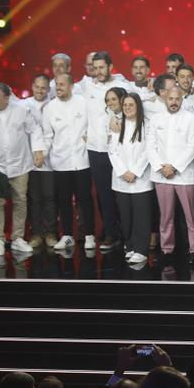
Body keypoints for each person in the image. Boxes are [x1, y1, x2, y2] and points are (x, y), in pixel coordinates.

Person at [0, 82, 44, 258]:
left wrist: (38, 150)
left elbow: (35, 129)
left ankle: (17, 239)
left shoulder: (21, 110)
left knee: (20, 201)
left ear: (7, 98)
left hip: (20, 164)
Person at [147, 85, 194, 262]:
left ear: (182, 99)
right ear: (164, 98)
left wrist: (175, 167)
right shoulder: (155, 119)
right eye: (171, 99)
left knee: (191, 217)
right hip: (161, 175)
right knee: (166, 216)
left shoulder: (191, 119)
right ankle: (166, 249)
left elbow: (193, 146)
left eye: (177, 99)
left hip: (185, 175)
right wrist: (162, 167)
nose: (174, 102)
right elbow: (150, 146)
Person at [40, 73, 92, 251]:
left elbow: (92, 125)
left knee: (85, 199)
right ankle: (68, 235)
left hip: (82, 160)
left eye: (62, 84)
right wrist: (41, 154)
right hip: (60, 161)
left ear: (71, 86)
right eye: (57, 85)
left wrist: (90, 138)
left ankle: (89, 235)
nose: (58, 88)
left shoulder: (83, 103)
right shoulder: (50, 108)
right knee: (63, 200)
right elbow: (47, 136)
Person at [107, 92, 152, 265]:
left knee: (141, 215)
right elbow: (112, 150)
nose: (127, 108)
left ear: (138, 106)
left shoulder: (147, 125)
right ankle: (130, 245)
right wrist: (123, 171)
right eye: (125, 105)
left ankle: (141, 249)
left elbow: (148, 150)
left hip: (140, 178)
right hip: (121, 179)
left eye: (131, 105)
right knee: (126, 215)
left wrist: (134, 171)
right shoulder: (117, 125)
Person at [83, 52, 122, 251]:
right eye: (95, 67)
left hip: (119, 149)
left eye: (101, 67)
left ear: (110, 67)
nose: (98, 71)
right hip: (96, 149)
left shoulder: (123, 85)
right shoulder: (87, 86)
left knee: (121, 192)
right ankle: (110, 232)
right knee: (103, 193)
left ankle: (122, 231)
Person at [19, 74, 56, 250]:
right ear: (32, 86)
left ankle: (50, 233)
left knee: (50, 197)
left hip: (50, 160)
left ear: (49, 89)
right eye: (37, 87)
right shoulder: (22, 104)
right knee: (34, 199)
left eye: (44, 88)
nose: (40, 90)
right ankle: (36, 233)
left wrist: (43, 152)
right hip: (30, 160)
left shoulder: (54, 104)